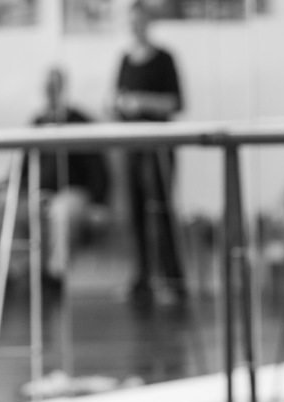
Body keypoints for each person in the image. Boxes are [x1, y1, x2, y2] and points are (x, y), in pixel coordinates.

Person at [114, 0, 186, 305]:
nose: (136, 27)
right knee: (136, 214)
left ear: (149, 23)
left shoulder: (165, 59)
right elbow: (117, 99)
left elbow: (176, 103)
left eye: (140, 21)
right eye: (132, 22)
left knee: (161, 210)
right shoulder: (125, 60)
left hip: (159, 147)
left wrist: (142, 102)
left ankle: (173, 280)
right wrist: (120, 105)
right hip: (132, 147)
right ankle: (142, 279)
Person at [30, 67, 111, 289]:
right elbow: (21, 165)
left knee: (62, 211)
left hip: (73, 193)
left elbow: (98, 167)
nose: (50, 92)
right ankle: (27, 273)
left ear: (62, 88)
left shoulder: (80, 121)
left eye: (54, 87)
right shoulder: (37, 123)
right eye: (47, 87)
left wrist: (100, 201)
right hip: (40, 193)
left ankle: (55, 278)